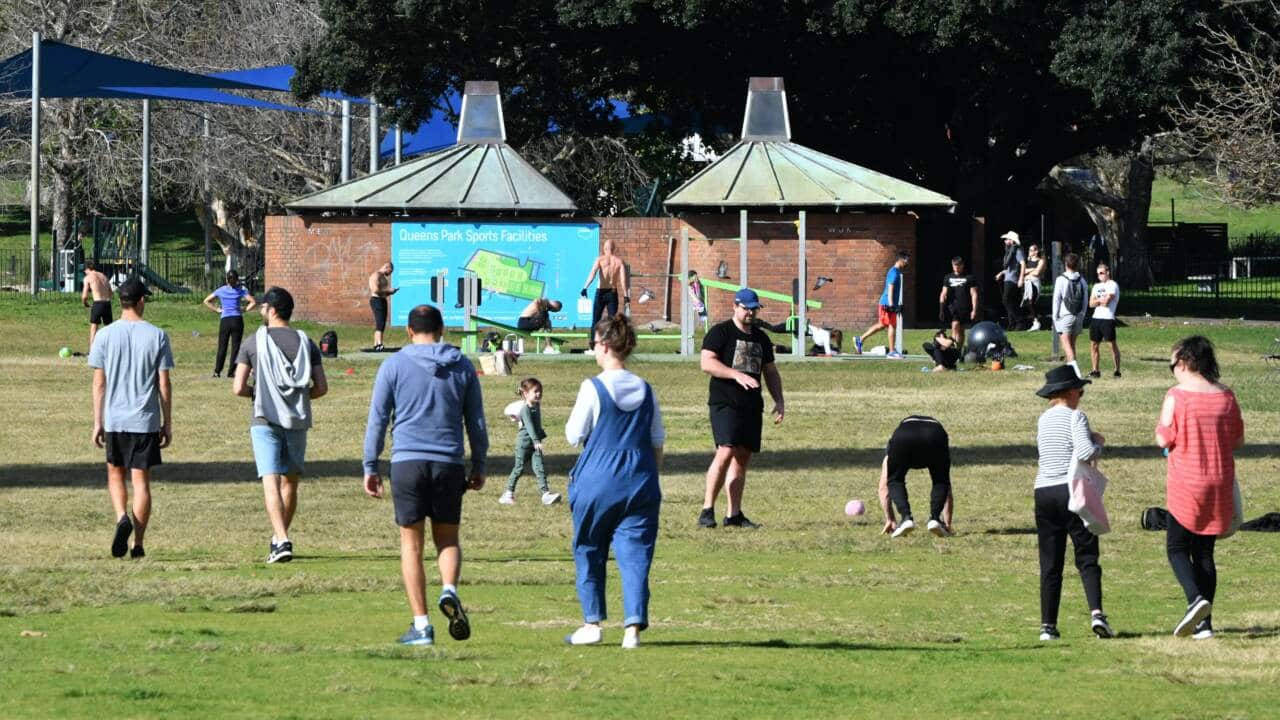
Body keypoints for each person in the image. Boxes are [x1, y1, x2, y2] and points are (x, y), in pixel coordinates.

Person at [363, 304, 488, 646]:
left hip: (407, 462)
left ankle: (421, 626)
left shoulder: (394, 365)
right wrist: (479, 463)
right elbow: (475, 421)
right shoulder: (462, 365)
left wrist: (370, 465)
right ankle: (449, 589)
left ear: (408, 330)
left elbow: (377, 420)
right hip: (448, 462)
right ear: (442, 328)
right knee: (447, 539)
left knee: (411, 545)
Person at [563, 313, 665, 648]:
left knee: (590, 547)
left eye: (594, 343)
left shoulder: (593, 387)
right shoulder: (646, 389)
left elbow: (573, 435)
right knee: (635, 555)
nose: (593, 349)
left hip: (598, 479)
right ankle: (632, 629)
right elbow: (657, 442)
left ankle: (592, 623)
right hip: (641, 479)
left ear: (605, 345)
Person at [1155, 336, 1244, 639]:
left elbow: (1164, 438)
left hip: (1187, 482)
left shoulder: (1177, 396)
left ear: (1185, 362)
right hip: (1219, 480)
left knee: (1177, 548)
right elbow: (1237, 440)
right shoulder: (1226, 396)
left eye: (1172, 365)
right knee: (1205, 552)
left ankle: (1195, 600)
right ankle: (1205, 625)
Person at [232, 287, 327, 564]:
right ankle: (279, 538)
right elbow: (320, 387)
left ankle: (281, 539)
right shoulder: (306, 342)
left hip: (264, 418)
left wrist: (258, 393)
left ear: (272, 310)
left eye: (263, 307)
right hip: (296, 419)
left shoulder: (253, 342)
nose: (261, 311)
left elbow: (238, 387)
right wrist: (298, 398)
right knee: (290, 482)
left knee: (270, 481)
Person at [88, 278, 173, 559]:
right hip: (145, 419)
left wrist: (97, 421)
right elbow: (163, 384)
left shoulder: (104, 335)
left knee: (115, 474)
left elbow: (99, 383)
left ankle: (121, 516)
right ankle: (137, 544)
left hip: (115, 418)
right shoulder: (158, 335)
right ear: (141, 301)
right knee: (141, 482)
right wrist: (167, 422)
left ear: (119, 301)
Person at [1033, 365, 1115, 641]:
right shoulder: (1075, 416)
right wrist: (1098, 442)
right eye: (1079, 390)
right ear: (1069, 392)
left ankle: (1048, 626)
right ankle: (1097, 614)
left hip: (1043, 491)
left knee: (1050, 561)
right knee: (1087, 555)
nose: (1081, 395)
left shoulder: (1043, 420)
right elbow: (1085, 452)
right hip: (1071, 490)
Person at [698, 288, 784, 529]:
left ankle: (734, 514)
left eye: (753, 308)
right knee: (725, 451)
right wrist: (735, 374)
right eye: (746, 308)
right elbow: (707, 363)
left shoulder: (761, 338)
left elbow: (770, 372)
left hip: (751, 405)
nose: (750, 312)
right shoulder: (721, 332)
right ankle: (707, 510)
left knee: (742, 457)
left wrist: (779, 400)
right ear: (735, 306)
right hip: (725, 402)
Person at [877, 416, 955, 538]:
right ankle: (935, 519)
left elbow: (884, 486)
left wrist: (890, 519)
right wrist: (947, 524)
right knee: (941, 481)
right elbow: (946, 487)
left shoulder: (894, 443)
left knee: (895, 480)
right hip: (935, 434)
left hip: (904, 436)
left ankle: (905, 518)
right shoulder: (933, 428)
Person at [499, 377, 561, 506]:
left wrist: (538, 438)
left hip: (535, 443)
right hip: (525, 443)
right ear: (526, 394)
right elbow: (530, 427)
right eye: (536, 391)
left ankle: (545, 494)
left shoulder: (536, 405)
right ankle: (508, 494)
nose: (539, 394)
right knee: (519, 468)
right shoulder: (525, 410)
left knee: (539, 468)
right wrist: (536, 440)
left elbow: (537, 425)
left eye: (540, 391)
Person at [855, 251, 909, 357]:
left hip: (887, 303)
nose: (907, 262)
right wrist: (891, 305)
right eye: (906, 260)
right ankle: (892, 351)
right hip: (886, 303)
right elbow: (890, 288)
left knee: (882, 325)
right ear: (901, 259)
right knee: (892, 325)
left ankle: (860, 339)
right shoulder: (893, 272)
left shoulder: (897, 272)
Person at [204, 270, 257, 378]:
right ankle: (231, 372)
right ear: (237, 280)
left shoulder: (221, 290)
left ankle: (217, 371)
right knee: (236, 347)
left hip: (225, 320)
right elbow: (253, 302)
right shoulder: (240, 290)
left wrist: (217, 310)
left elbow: (206, 301)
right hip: (237, 319)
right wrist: (245, 310)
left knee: (222, 346)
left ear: (226, 279)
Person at [581, 239, 629, 350]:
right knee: (612, 321)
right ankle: (612, 346)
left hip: (601, 292)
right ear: (614, 249)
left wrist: (585, 287)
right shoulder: (619, 261)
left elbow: (592, 273)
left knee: (596, 320)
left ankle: (593, 347)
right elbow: (623, 280)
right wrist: (626, 296)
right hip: (613, 292)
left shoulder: (600, 260)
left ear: (605, 248)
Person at [1051, 253, 1089, 372]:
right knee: (1072, 346)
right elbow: (1085, 299)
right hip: (1078, 315)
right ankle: (1071, 372)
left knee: (1066, 346)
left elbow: (1057, 299)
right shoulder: (1082, 280)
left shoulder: (1061, 279)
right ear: (1077, 265)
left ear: (1065, 264)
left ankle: (1076, 373)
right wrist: (1082, 314)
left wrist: (1055, 316)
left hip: (1065, 315)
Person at [1087, 263, 1121, 378]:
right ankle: (1095, 370)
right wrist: (1100, 300)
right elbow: (1091, 304)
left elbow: (1107, 302)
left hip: (1108, 318)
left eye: (1101, 273)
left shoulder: (1113, 285)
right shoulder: (1096, 286)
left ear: (1107, 272)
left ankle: (1117, 370)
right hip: (1096, 318)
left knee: (1112, 345)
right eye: (1098, 274)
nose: (1099, 276)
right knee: (1094, 345)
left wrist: (1098, 300)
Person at [939, 256, 978, 345]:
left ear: (962, 265)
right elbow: (943, 293)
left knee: (961, 330)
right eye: (954, 265)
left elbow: (974, 294)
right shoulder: (947, 277)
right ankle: (953, 346)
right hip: (952, 307)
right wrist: (941, 309)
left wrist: (974, 310)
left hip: (964, 307)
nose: (956, 267)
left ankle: (959, 350)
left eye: (958, 265)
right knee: (955, 325)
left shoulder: (969, 277)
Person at [995, 231, 1026, 330]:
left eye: (1007, 239)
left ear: (1012, 241)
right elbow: (1009, 267)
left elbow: (1023, 264)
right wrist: (1001, 273)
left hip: (1013, 279)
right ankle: (1012, 324)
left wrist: (1021, 278)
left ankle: (1019, 321)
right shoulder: (1009, 251)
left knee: (1006, 300)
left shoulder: (1017, 251)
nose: (1005, 240)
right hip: (1008, 278)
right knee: (1010, 301)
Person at [82, 260, 113, 349]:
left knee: (94, 327)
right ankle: (110, 348)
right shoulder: (103, 276)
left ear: (87, 269)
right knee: (109, 328)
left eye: (85, 271)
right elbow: (111, 292)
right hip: (107, 303)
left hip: (98, 303)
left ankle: (92, 350)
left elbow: (84, 296)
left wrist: (85, 303)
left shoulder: (88, 277)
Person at [368, 261, 399, 351]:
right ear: (386, 267)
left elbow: (384, 292)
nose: (390, 273)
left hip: (382, 300)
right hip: (376, 300)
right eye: (390, 271)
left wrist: (391, 292)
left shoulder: (383, 277)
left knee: (381, 322)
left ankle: (376, 344)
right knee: (380, 322)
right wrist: (389, 291)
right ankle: (379, 344)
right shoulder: (376, 275)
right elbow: (375, 290)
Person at [1022, 244, 1048, 332]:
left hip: (1035, 283)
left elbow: (1037, 273)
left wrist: (1030, 272)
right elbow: (1023, 271)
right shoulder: (1028, 260)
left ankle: (1036, 322)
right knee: (1028, 303)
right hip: (1027, 283)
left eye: (1032, 250)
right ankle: (1035, 322)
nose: (1030, 252)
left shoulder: (1041, 260)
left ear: (1036, 251)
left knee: (1031, 302)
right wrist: (1033, 269)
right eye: (1029, 250)